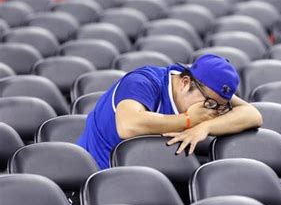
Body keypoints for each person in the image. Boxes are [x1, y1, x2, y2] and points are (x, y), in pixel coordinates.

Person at [76, 54, 263, 169]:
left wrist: (204, 127)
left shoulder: (210, 95)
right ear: (185, 83)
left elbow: (252, 114)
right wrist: (189, 120)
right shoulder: (143, 82)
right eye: (210, 103)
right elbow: (128, 126)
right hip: (97, 176)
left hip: (151, 176)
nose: (212, 109)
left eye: (220, 106)